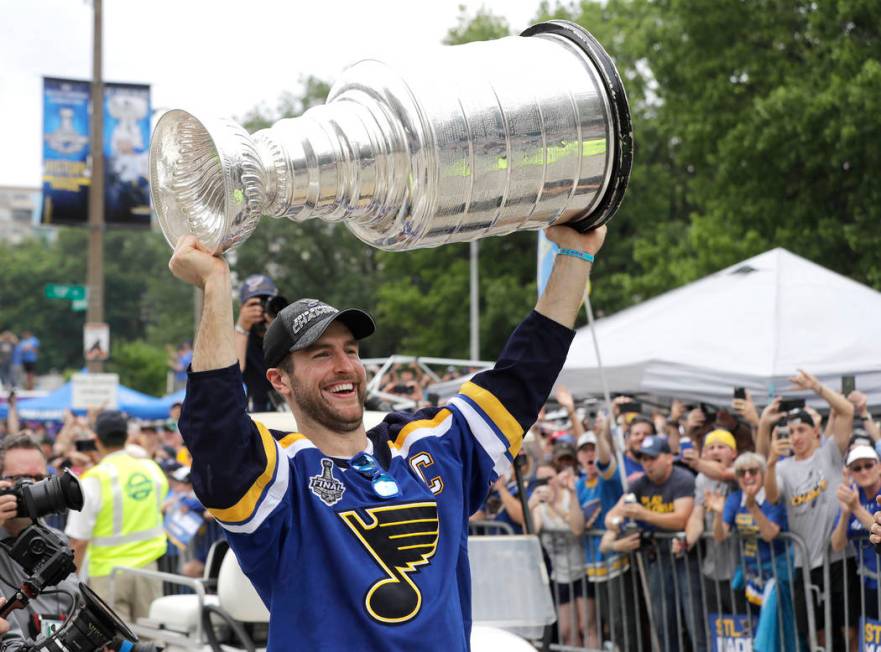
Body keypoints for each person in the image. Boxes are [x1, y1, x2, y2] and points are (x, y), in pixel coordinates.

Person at [167, 222, 606, 650]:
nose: (345, 366)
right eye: (322, 354)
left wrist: (575, 255)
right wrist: (215, 285)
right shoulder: (279, 477)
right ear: (280, 381)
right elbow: (215, 429)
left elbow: (524, 375)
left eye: (351, 351)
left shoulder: (428, 445)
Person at [762, 370, 855, 651]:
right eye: (790, 432)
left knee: (849, 629)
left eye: (801, 430)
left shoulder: (829, 453)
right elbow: (772, 495)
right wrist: (769, 463)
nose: (795, 436)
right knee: (820, 636)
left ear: (816, 430)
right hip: (806, 563)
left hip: (839, 558)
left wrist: (815, 386)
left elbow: (847, 410)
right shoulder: (783, 467)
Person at [65, 410, 168, 623]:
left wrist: (71, 584)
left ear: (96, 440)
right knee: (152, 641)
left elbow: (78, 541)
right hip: (149, 571)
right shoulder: (151, 469)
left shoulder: (93, 479)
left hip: (108, 576)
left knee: (114, 643)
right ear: (127, 437)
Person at [604, 435, 703, 652]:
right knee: (664, 622)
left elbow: (681, 519)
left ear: (668, 458)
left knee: (694, 620)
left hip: (685, 559)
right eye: (643, 459)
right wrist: (617, 523)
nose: (647, 464)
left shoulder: (682, 479)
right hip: (657, 559)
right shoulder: (639, 484)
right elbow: (611, 517)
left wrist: (643, 514)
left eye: (652, 458)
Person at [711, 452, 796, 651]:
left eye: (753, 471)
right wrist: (717, 514)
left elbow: (770, 534)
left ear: (763, 473)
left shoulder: (771, 497)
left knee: (777, 631)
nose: (747, 476)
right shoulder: (734, 499)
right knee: (757, 629)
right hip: (752, 575)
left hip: (778, 575)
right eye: (741, 472)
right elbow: (720, 535)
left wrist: (753, 508)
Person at [0, 435, 79, 638]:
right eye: (19, 479)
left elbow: (74, 605)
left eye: (39, 479)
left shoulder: (57, 540)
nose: (32, 488)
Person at [676, 428, 742, 616]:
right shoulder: (701, 479)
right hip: (712, 570)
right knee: (720, 632)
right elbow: (697, 516)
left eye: (721, 447)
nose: (714, 451)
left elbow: (722, 473)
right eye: (710, 447)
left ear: (734, 453)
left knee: (746, 630)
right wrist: (685, 542)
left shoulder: (742, 471)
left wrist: (696, 462)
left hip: (741, 570)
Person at [529, 462, 586, 647]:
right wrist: (529, 505)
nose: (546, 483)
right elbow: (530, 531)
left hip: (583, 571)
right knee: (566, 631)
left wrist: (556, 504)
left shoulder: (569, 497)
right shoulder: (538, 505)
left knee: (586, 626)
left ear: (558, 478)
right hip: (560, 575)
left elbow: (577, 529)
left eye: (550, 478)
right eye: (541, 480)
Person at [831, 445, 881, 621]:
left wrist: (856, 508)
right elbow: (837, 544)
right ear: (851, 473)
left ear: (879, 466)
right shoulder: (853, 495)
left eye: (868, 465)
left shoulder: (857, 500)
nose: (864, 471)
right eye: (857, 468)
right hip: (867, 584)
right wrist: (845, 514)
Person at [235, 273, 283, 412]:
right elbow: (233, 372)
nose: (261, 309)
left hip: (287, 410)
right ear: (242, 308)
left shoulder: (287, 332)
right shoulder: (238, 337)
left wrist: (277, 325)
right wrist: (242, 327)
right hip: (256, 412)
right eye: (254, 303)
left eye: (266, 301)